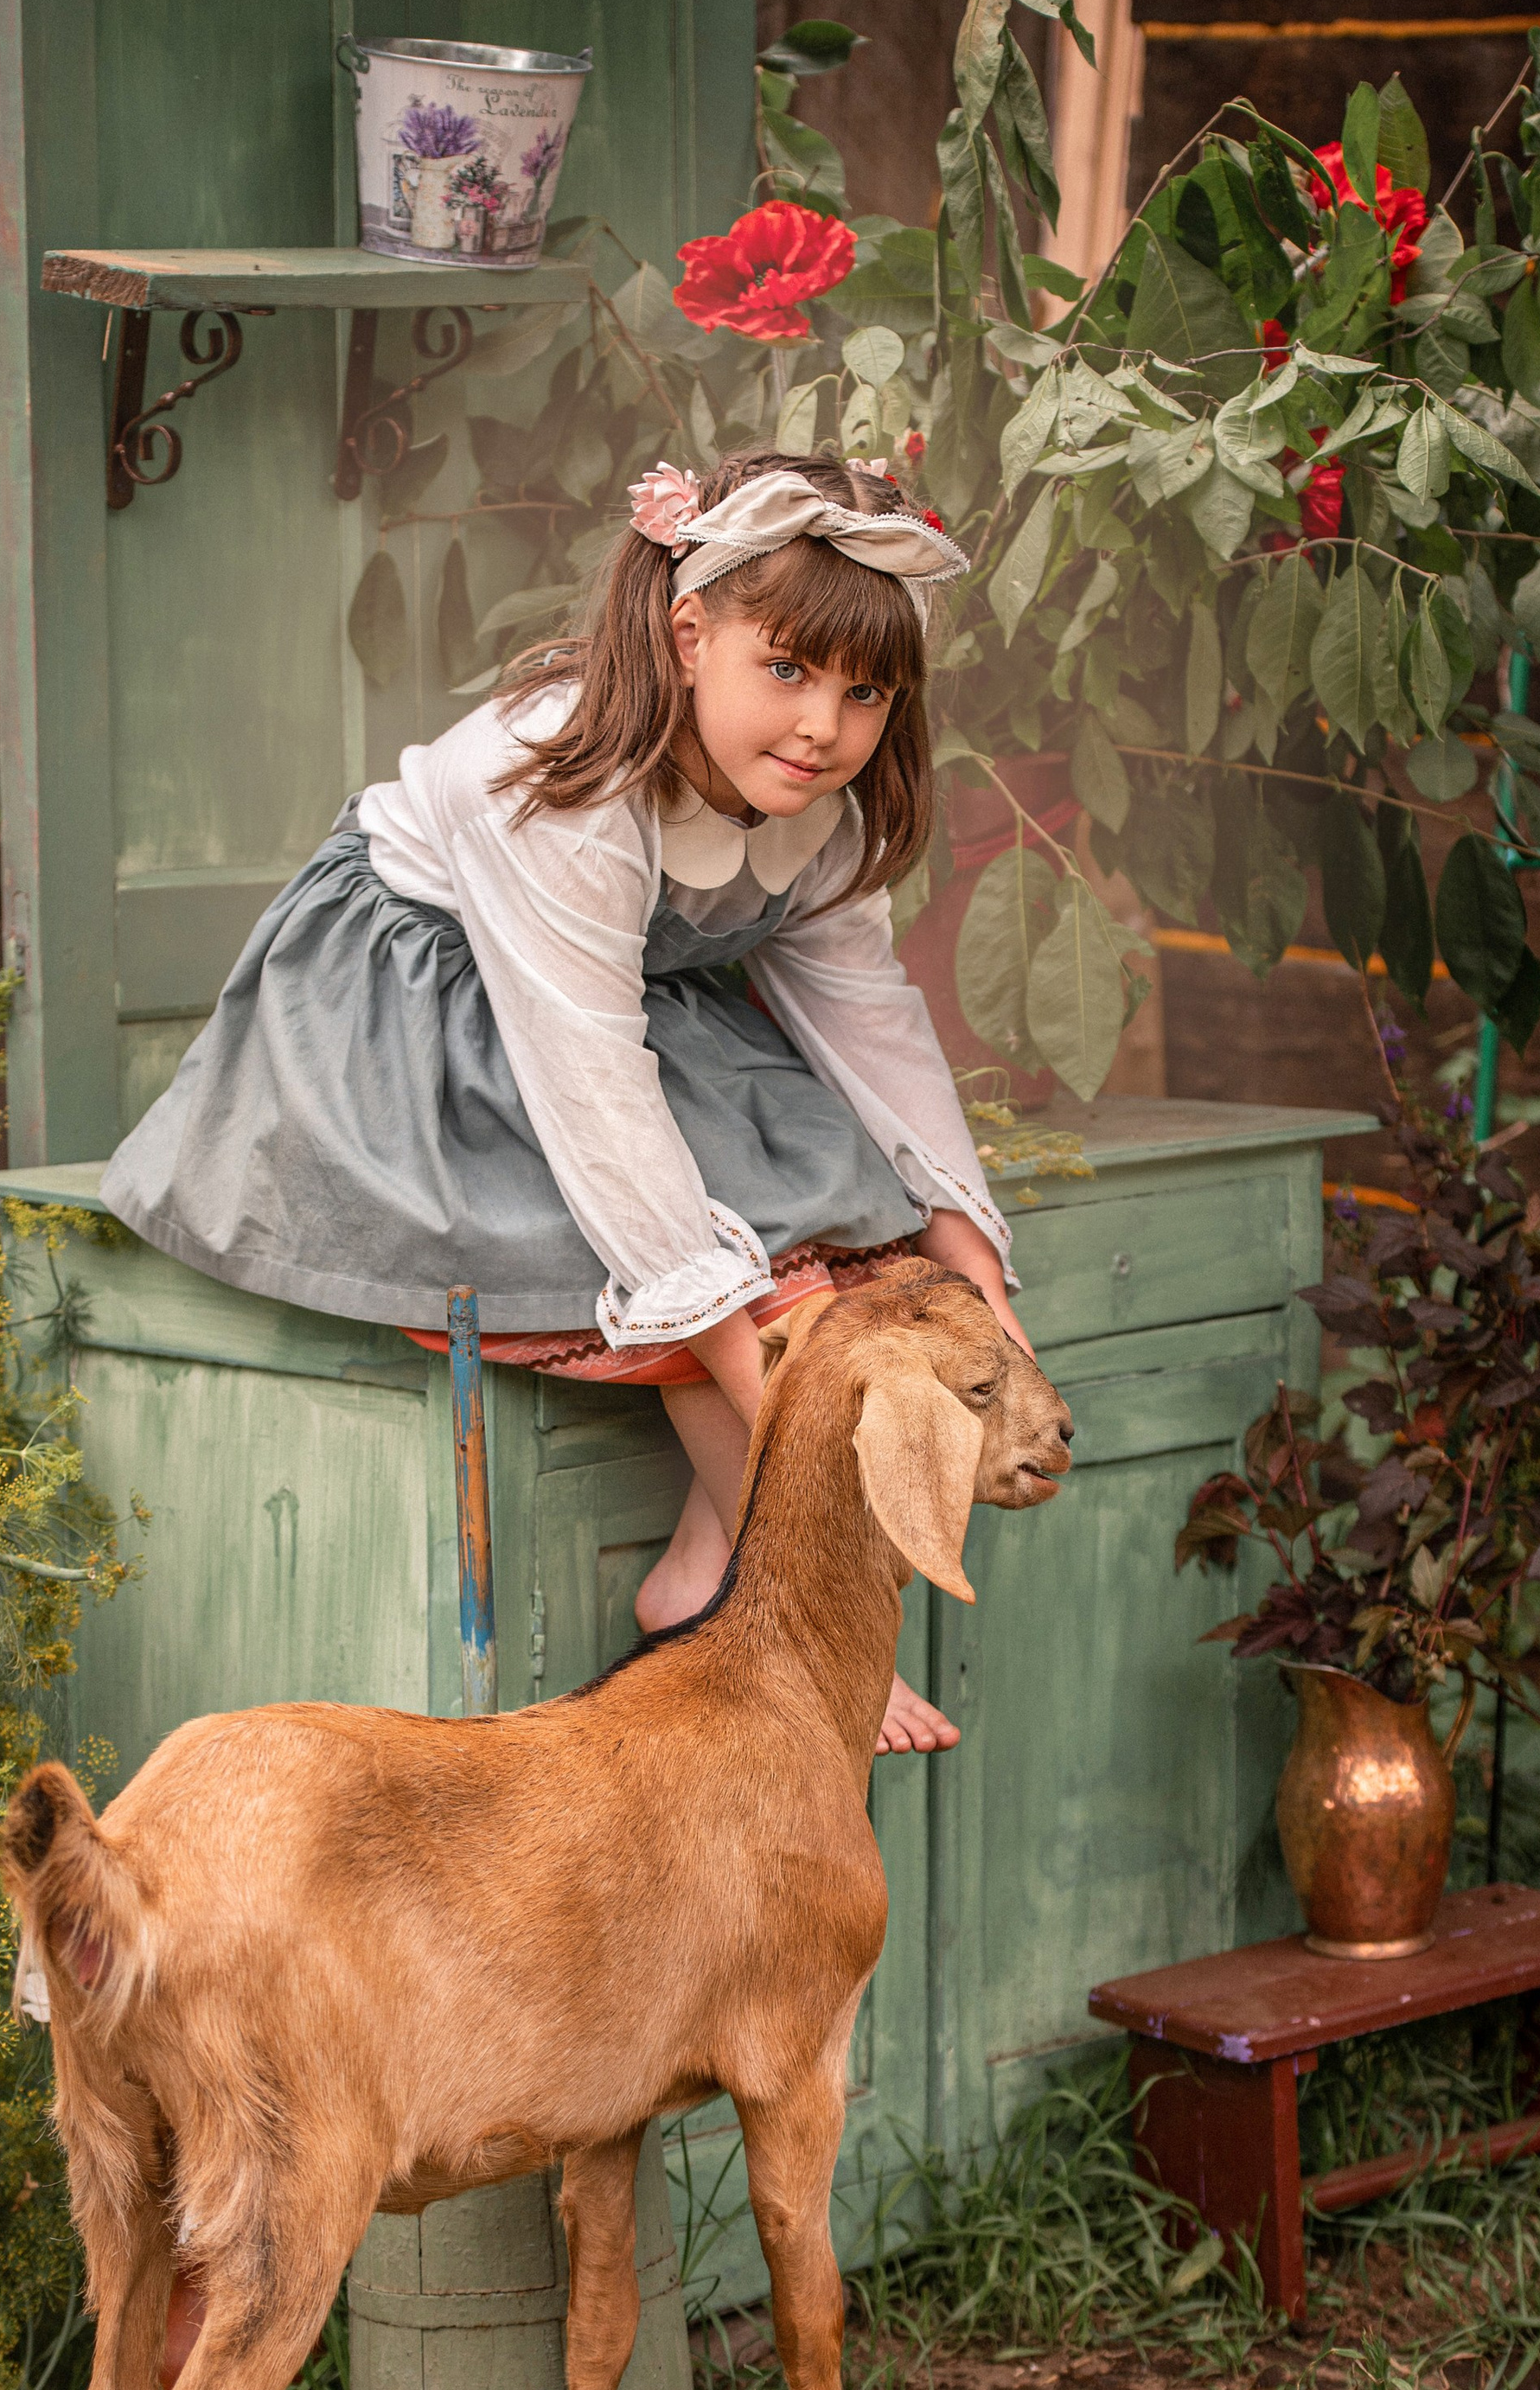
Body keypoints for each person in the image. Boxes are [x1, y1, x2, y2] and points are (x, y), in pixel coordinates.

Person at [102, 448, 1033, 1752]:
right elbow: (590, 1079)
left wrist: (970, 1253)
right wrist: (782, 1405)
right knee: (742, 1284)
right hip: (434, 1023)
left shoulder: (816, 797)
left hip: (616, 1003)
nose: (824, 726)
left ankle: (702, 1568)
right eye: (787, 670)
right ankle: (796, 1614)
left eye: (863, 691)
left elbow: (865, 1016)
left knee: (877, 1259)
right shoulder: (568, 786)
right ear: (690, 635)